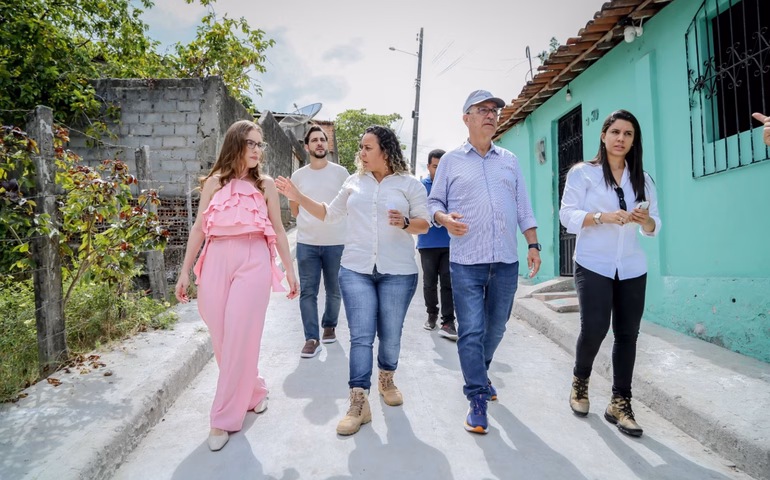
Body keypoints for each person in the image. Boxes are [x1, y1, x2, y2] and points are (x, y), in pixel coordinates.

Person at [276, 125, 430, 436]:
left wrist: (404, 223)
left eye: (367, 147)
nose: (360, 153)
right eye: (360, 147)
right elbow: (328, 214)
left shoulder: (409, 184)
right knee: (361, 336)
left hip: (398, 271)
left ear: (385, 151)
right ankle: (359, 400)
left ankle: (386, 378)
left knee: (391, 335)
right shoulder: (353, 182)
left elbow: (424, 225)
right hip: (356, 268)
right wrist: (297, 196)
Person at [174, 120, 299, 451]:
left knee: (241, 334)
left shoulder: (266, 185)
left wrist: (289, 269)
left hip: (254, 259)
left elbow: (279, 230)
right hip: (215, 257)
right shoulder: (214, 183)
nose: (258, 150)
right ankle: (254, 390)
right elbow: (199, 228)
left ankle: (223, 418)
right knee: (222, 335)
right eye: (251, 143)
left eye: (261, 144)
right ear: (235, 145)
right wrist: (185, 270)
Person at [428, 90, 541, 434]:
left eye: (494, 110)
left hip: (506, 261)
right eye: (483, 110)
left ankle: (480, 370)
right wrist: (444, 219)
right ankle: (477, 395)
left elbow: (523, 205)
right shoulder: (449, 161)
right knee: (472, 330)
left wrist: (533, 244)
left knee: (497, 327)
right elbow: (433, 203)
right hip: (466, 261)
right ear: (466, 117)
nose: (491, 115)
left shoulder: (509, 159)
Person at [559, 109, 661, 438]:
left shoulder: (643, 180)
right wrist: (602, 216)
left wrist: (642, 220)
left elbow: (654, 226)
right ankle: (580, 381)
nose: (621, 139)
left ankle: (620, 402)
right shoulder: (582, 174)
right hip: (593, 264)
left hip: (631, 266)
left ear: (634, 141)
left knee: (628, 335)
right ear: (603, 136)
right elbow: (567, 215)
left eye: (628, 134)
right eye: (615, 132)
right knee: (594, 329)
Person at [291, 125, 350, 358]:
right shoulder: (298, 176)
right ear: (306, 147)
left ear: (328, 144)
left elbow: (348, 205)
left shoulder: (341, 173)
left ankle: (329, 326)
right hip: (307, 244)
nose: (319, 143)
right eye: (314, 140)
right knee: (308, 292)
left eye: (322, 140)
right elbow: (294, 208)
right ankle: (311, 338)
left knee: (335, 291)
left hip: (336, 242)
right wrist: (309, 224)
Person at [417, 149, 457, 339]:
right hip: (427, 243)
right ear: (429, 167)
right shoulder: (422, 187)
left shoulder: (453, 186)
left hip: (450, 243)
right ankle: (431, 314)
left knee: (448, 282)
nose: (439, 170)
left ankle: (448, 321)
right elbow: (421, 211)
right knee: (430, 282)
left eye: (442, 167)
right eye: (435, 167)